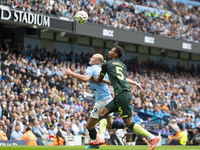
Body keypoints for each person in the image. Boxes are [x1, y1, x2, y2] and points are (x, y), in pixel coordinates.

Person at [91, 46, 159, 150]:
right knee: (102, 113)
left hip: (121, 94)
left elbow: (99, 79)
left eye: (111, 50)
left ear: (115, 54)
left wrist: (93, 78)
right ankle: (101, 138)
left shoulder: (106, 64)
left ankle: (152, 137)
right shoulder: (122, 66)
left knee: (128, 122)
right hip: (122, 94)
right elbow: (121, 79)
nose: (109, 51)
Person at [63, 54, 127, 149]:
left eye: (92, 58)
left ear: (97, 61)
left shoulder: (92, 68)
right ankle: (130, 124)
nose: (90, 58)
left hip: (101, 100)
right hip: (108, 98)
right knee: (109, 125)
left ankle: (94, 144)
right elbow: (110, 82)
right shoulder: (104, 69)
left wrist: (70, 73)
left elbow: (85, 79)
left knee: (89, 125)